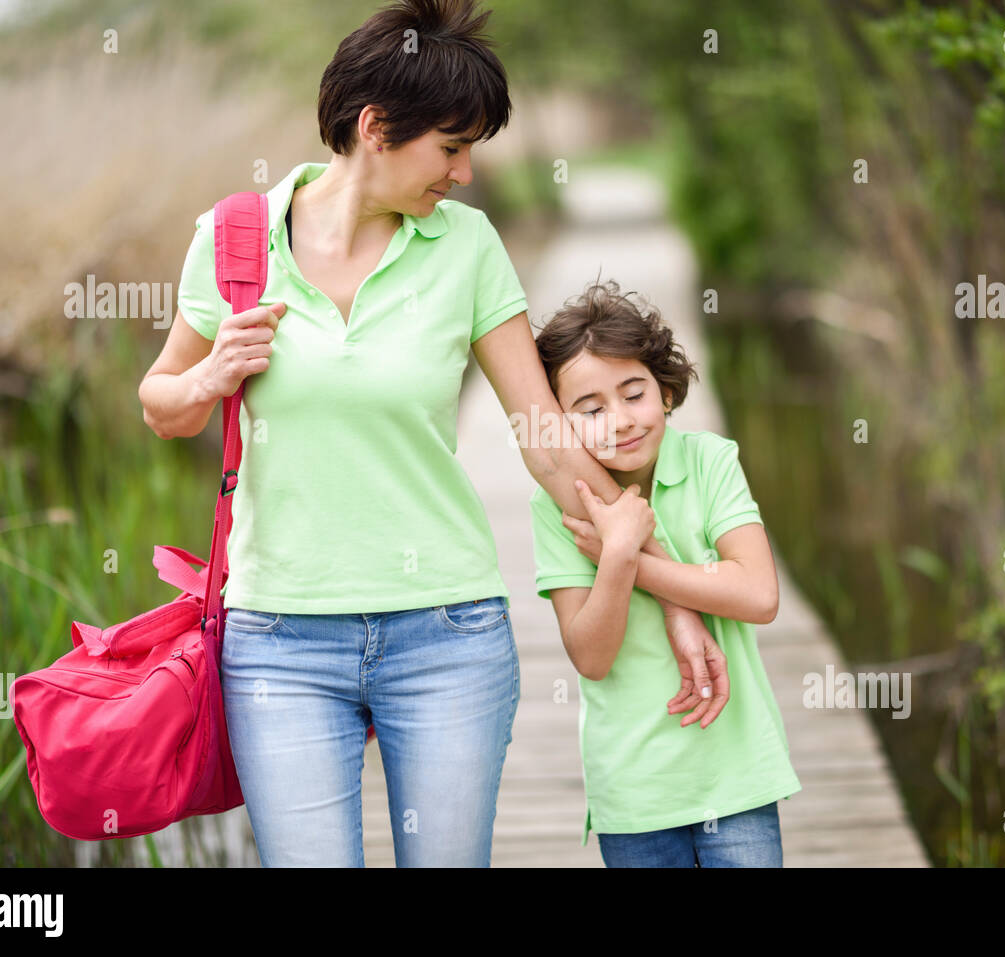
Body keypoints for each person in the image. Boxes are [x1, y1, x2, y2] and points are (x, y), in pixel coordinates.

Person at [138, 0, 729, 867]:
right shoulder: (234, 241)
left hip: (445, 633)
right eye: (451, 148)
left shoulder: (467, 246)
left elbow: (544, 436)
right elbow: (162, 405)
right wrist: (210, 374)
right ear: (377, 127)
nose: (462, 173)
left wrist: (668, 590)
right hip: (279, 641)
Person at [529, 279, 802, 867]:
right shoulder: (555, 506)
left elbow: (758, 595)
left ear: (667, 392)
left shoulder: (709, 461)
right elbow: (592, 656)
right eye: (591, 409)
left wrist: (630, 560)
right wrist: (620, 556)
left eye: (634, 394)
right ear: (562, 424)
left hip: (735, 773)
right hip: (635, 789)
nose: (621, 421)